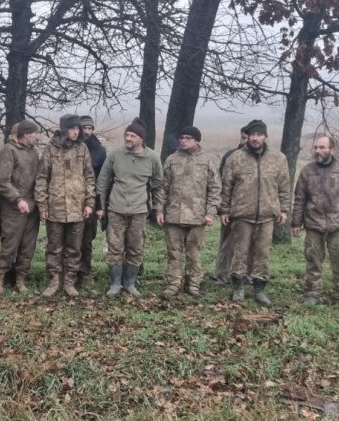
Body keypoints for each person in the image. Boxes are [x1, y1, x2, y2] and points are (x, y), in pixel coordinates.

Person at [220, 120, 290, 307]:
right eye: (253, 135)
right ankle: (238, 288)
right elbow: (226, 186)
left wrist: (283, 209)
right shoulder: (235, 158)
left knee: (263, 253)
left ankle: (259, 289)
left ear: (265, 136)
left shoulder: (278, 159)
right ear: (247, 137)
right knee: (239, 253)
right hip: (242, 214)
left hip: (268, 215)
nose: (256, 138)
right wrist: (224, 210)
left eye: (259, 135)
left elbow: (284, 186)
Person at [292, 135, 339, 307]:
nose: (318, 151)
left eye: (322, 147)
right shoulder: (307, 171)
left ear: (332, 150)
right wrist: (296, 223)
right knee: (313, 261)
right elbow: (299, 198)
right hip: (313, 224)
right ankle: (312, 294)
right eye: (316, 147)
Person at [96, 117, 163, 297]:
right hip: (116, 210)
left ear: (141, 138)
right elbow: (102, 182)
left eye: (133, 136)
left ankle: (130, 283)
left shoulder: (153, 158)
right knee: (114, 246)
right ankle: (115, 283)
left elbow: (158, 185)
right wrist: (100, 207)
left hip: (139, 211)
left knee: (136, 247)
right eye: (127, 135)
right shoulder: (115, 155)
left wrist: (158, 208)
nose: (129, 138)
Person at [35, 114, 95, 297]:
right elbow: (42, 177)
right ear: (64, 129)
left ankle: (70, 281)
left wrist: (89, 202)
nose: (76, 132)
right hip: (55, 207)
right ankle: (54, 280)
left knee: (74, 247)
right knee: (54, 246)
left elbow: (89, 177)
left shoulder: (83, 149)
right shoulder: (51, 149)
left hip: (77, 208)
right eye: (72, 128)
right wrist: (42, 205)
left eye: (78, 128)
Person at [157, 126, 220, 297]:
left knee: (194, 253)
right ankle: (173, 284)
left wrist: (210, 213)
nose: (183, 140)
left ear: (197, 140)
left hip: (197, 216)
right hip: (173, 214)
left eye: (188, 138)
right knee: (173, 253)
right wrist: (159, 210)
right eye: (182, 137)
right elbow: (163, 187)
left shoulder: (208, 160)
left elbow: (215, 188)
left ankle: (193, 284)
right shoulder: (172, 159)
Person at [0, 120, 41, 294]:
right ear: (26, 134)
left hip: (32, 206)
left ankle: (21, 279)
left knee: (28, 245)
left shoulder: (34, 153)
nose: (36, 137)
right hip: (13, 207)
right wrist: (18, 199)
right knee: (10, 244)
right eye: (34, 133)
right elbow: (3, 181)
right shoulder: (8, 151)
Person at [212, 125, 250, 284]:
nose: (247, 141)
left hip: (252, 209)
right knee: (227, 242)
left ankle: (245, 274)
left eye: (249, 138)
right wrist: (223, 208)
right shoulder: (230, 156)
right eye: (244, 138)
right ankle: (222, 274)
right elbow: (222, 182)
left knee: (250, 243)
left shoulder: (262, 159)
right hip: (231, 206)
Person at [78, 114, 107, 288]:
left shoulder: (99, 150)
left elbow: (102, 180)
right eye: (84, 128)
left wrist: (99, 205)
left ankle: (85, 272)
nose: (87, 132)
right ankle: (69, 272)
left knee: (87, 239)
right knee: (69, 239)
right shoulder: (69, 146)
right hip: (69, 199)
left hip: (91, 200)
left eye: (90, 128)